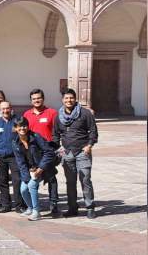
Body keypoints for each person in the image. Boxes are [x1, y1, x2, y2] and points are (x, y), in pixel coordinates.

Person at [53, 89, 99, 219]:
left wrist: (89, 145)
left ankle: (90, 207)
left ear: (75, 99)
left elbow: (93, 132)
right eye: (66, 98)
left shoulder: (85, 113)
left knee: (85, 179)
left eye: (71, 98)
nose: (69, 100)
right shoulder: (58, 117)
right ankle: (73, 207)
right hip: (67, 153)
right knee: (70, 182)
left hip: (82, 152)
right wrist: (57, 149)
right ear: (62, 100)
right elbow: (55, 135)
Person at [23, 89, 61, 216]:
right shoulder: (27, 114)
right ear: (31, 100)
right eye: (34, 99)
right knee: (34, 178)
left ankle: (53, 204)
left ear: (43, 98)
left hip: (48, 152)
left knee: (51, 178)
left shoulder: (52, 113)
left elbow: (57, 132)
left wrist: (54, 147)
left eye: (38, 98)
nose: (36, 100)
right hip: (33, 153)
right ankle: (33, 204)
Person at [13, 117, 56, 221]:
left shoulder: (36, 137)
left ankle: (37, 211)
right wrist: (26, 177)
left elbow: (49, 152)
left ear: (28, 127)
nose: (22, 128)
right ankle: (30, 208)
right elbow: (20, 162)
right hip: (29, 170)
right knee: (23, 189)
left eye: (24, 126)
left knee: (32, 185)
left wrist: (40, 169)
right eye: (19, 126)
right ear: (15, 128)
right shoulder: (15, 142)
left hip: (43, 167)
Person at [0, 101, 22, 213]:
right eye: (3, 109)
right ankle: (5, 204)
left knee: (17, 180)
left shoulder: (17, 121)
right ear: (0, 110)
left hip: (14, 156)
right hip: (0, 156)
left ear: (11, 108)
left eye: (7, 108)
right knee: (2, 181)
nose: (5, 111)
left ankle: (19, 205)